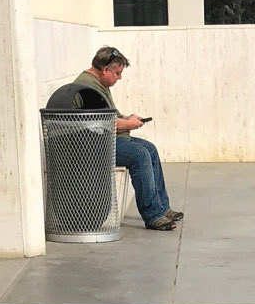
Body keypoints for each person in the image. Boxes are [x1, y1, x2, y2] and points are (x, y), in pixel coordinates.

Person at [72, 47, 182, 232]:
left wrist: (127, 119)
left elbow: (110, 116)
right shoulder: (88, 88)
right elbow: (104, 124)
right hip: (95, 145)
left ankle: (162, 207)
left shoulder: (99, 83)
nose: (119, 77)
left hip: (105, 139)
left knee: (150, 149)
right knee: (139, 155)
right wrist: (129, 124)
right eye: (117, 73)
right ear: (105, 70)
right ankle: (153, 215)